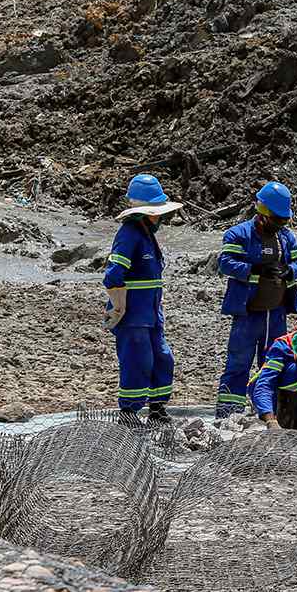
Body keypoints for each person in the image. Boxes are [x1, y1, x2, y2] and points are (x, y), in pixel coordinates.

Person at [214, 181, 297, 417]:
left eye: (284, 221)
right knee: (238, 365)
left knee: (273, 365)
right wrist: (255, 270)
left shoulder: (285, 238)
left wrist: (289, 271)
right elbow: (225, 263)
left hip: (275, 314)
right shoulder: (238, 234)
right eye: (277, 220)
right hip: (248, 315)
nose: (281, 224)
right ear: (263, 214)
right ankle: (228, 414)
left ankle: (267, 412)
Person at [104, 174, 181, 421]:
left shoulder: (146, 234)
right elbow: (113, 274)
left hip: (152, 314)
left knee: (162, 359)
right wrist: (119, 305)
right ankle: (128, 412)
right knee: (138, 362)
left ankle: (157, 409)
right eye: (156, 212)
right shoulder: (129, 234)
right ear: (143, 212)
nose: (160, 216)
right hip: (133, 315)